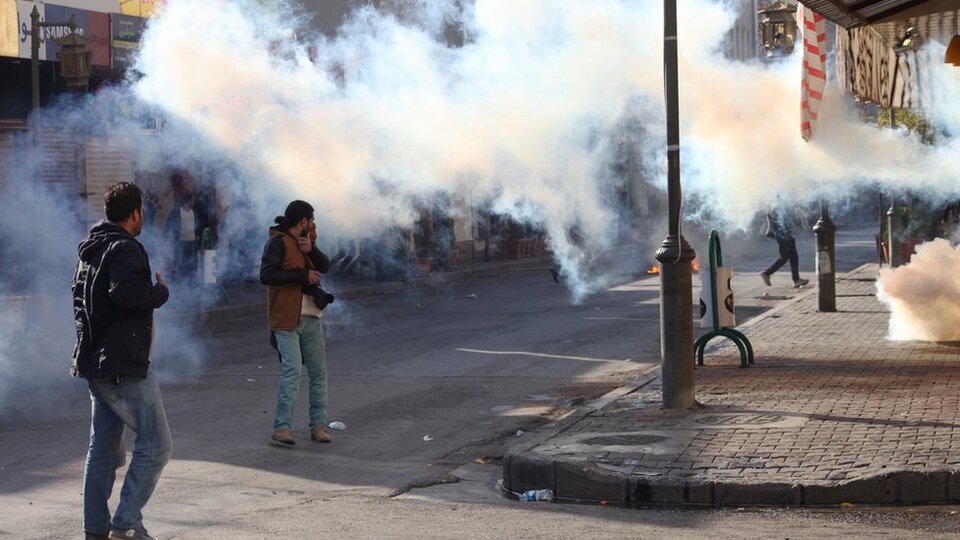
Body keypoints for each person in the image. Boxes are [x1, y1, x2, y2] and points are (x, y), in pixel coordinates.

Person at [71, 182, 171, 540]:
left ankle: (95, 528)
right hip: (121, 365)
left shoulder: (92, 248)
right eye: (142, 211)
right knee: (157, 444)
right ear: (134, 213)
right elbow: (127, 294)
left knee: (103, 449)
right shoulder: (126, 249)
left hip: (95, 363)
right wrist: (159, 292)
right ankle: (125, 523)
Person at [259, 200, 332, 446]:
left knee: (318, 374)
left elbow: (325, 266)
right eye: (310, 221)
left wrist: (311, 250)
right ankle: (282, 427)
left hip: (311, 317)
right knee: (293, 371)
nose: (312, 225)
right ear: (302, 221)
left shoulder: (308, 242)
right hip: (285, 318)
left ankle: (319, 426)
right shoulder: (277, 242)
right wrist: (302, 275)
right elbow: (266, 275)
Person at [760, 210, 809, 288]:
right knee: (784, 257)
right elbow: (775, 218)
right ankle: (766, 273)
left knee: (793, 256)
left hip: (784, 233)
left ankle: (796, 280)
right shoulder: (776, 205)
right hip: (783, 234)